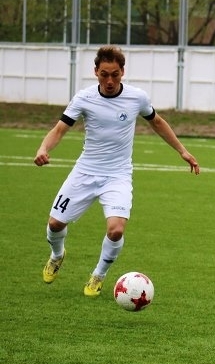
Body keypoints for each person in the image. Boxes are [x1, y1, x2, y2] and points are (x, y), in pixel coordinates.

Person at [35, 45, 200, 297]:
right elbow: (59, 129)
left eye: (114, 74)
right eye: (104, 75)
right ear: (96, 72)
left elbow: (157, 122)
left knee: (116, 230)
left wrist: (182, 151)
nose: (109, 81)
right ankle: (57, 255)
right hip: (85, 172)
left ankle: (98, 275)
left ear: (123, 71)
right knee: (55, 224)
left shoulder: (137, 98)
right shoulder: (84, 98)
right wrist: (43, 148)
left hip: (118, 175)